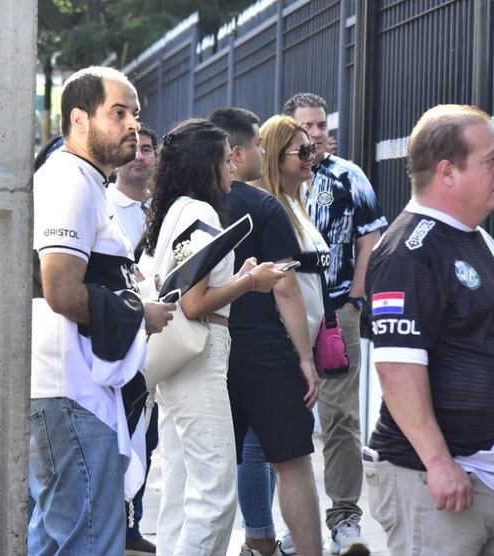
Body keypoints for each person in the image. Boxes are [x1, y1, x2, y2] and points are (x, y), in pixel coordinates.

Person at [365, 104, 494, 555]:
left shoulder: (476, 238)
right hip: (441, 485)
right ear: (447, 172)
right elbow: (397, 368)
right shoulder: (410, 251)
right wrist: (437, 462)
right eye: (491, 159)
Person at [29, 66, 174, 555]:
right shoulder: (68, 181)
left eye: (135, 113)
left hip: (77, 391)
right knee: (89, 540)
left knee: (57, 539)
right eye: (118, 113)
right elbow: (61, 290)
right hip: (71, 391)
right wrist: (140, 314)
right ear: (79, 119)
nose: (133, 125)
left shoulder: (87, 181)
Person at [139, 118, 285, 556]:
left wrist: (239, 278)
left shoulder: (173, 211)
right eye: (225, 160)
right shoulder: (199, 213)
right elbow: (194, 303)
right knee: (216, 492)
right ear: (206, 165)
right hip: (199, 356)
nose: (231, 168)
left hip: (177, 359)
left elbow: (185, 291)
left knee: (181, 491)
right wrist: (251, 282)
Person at [209, 109, 323, 556]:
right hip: (265, 352)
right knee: (292, 462)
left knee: (212, 469)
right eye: (258, 144)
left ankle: (251, 541)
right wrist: (305, 359)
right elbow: (286, 287)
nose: (262, 151)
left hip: (210, 350)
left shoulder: (189, 206)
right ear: (236, 153)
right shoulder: (263, 206)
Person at [283, 92, 387, 555]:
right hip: (284, 314)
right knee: (286, 418)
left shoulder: (349, 176)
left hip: (337, 311)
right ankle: (297, 523)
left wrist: (355, 302)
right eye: (307, 127)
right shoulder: (276, 181)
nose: (318, 134)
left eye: (322, 125)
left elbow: (371, 240)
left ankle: (345, 518)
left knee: (340, 416)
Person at [107, 124, 159, 556]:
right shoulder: (105, 206)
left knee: (147, 437)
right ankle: (114, 526)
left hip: (158, 341)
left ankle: (133, 523)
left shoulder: (162, 209)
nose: (139, 156)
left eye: (147, 149)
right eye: (134, 148)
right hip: (120, 338)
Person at [107, 126, 157, 255]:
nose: (139, 156)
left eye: (146, 149)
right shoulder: (102, 206)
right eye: (131, 148)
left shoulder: (162, 206)